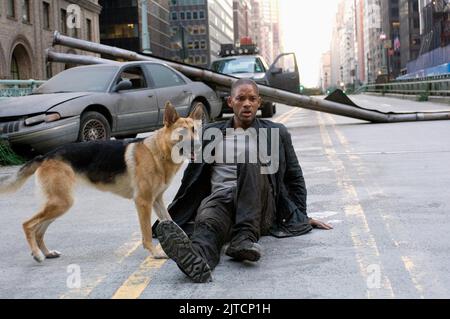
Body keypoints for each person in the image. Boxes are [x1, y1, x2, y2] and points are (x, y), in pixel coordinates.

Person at [156, 79, 332, 283]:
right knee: (208, 223)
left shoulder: (276, 133)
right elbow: (192, 178)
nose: (246, 103)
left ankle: (244, 238)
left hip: (259, 207)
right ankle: (198, 259)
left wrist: (299, 215)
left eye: (252, 99)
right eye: (240, 98)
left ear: (259, 102)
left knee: (248, 155)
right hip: (221, 201)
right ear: (230, 102)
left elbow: (294, 178)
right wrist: (181, 212)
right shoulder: (210, 134)